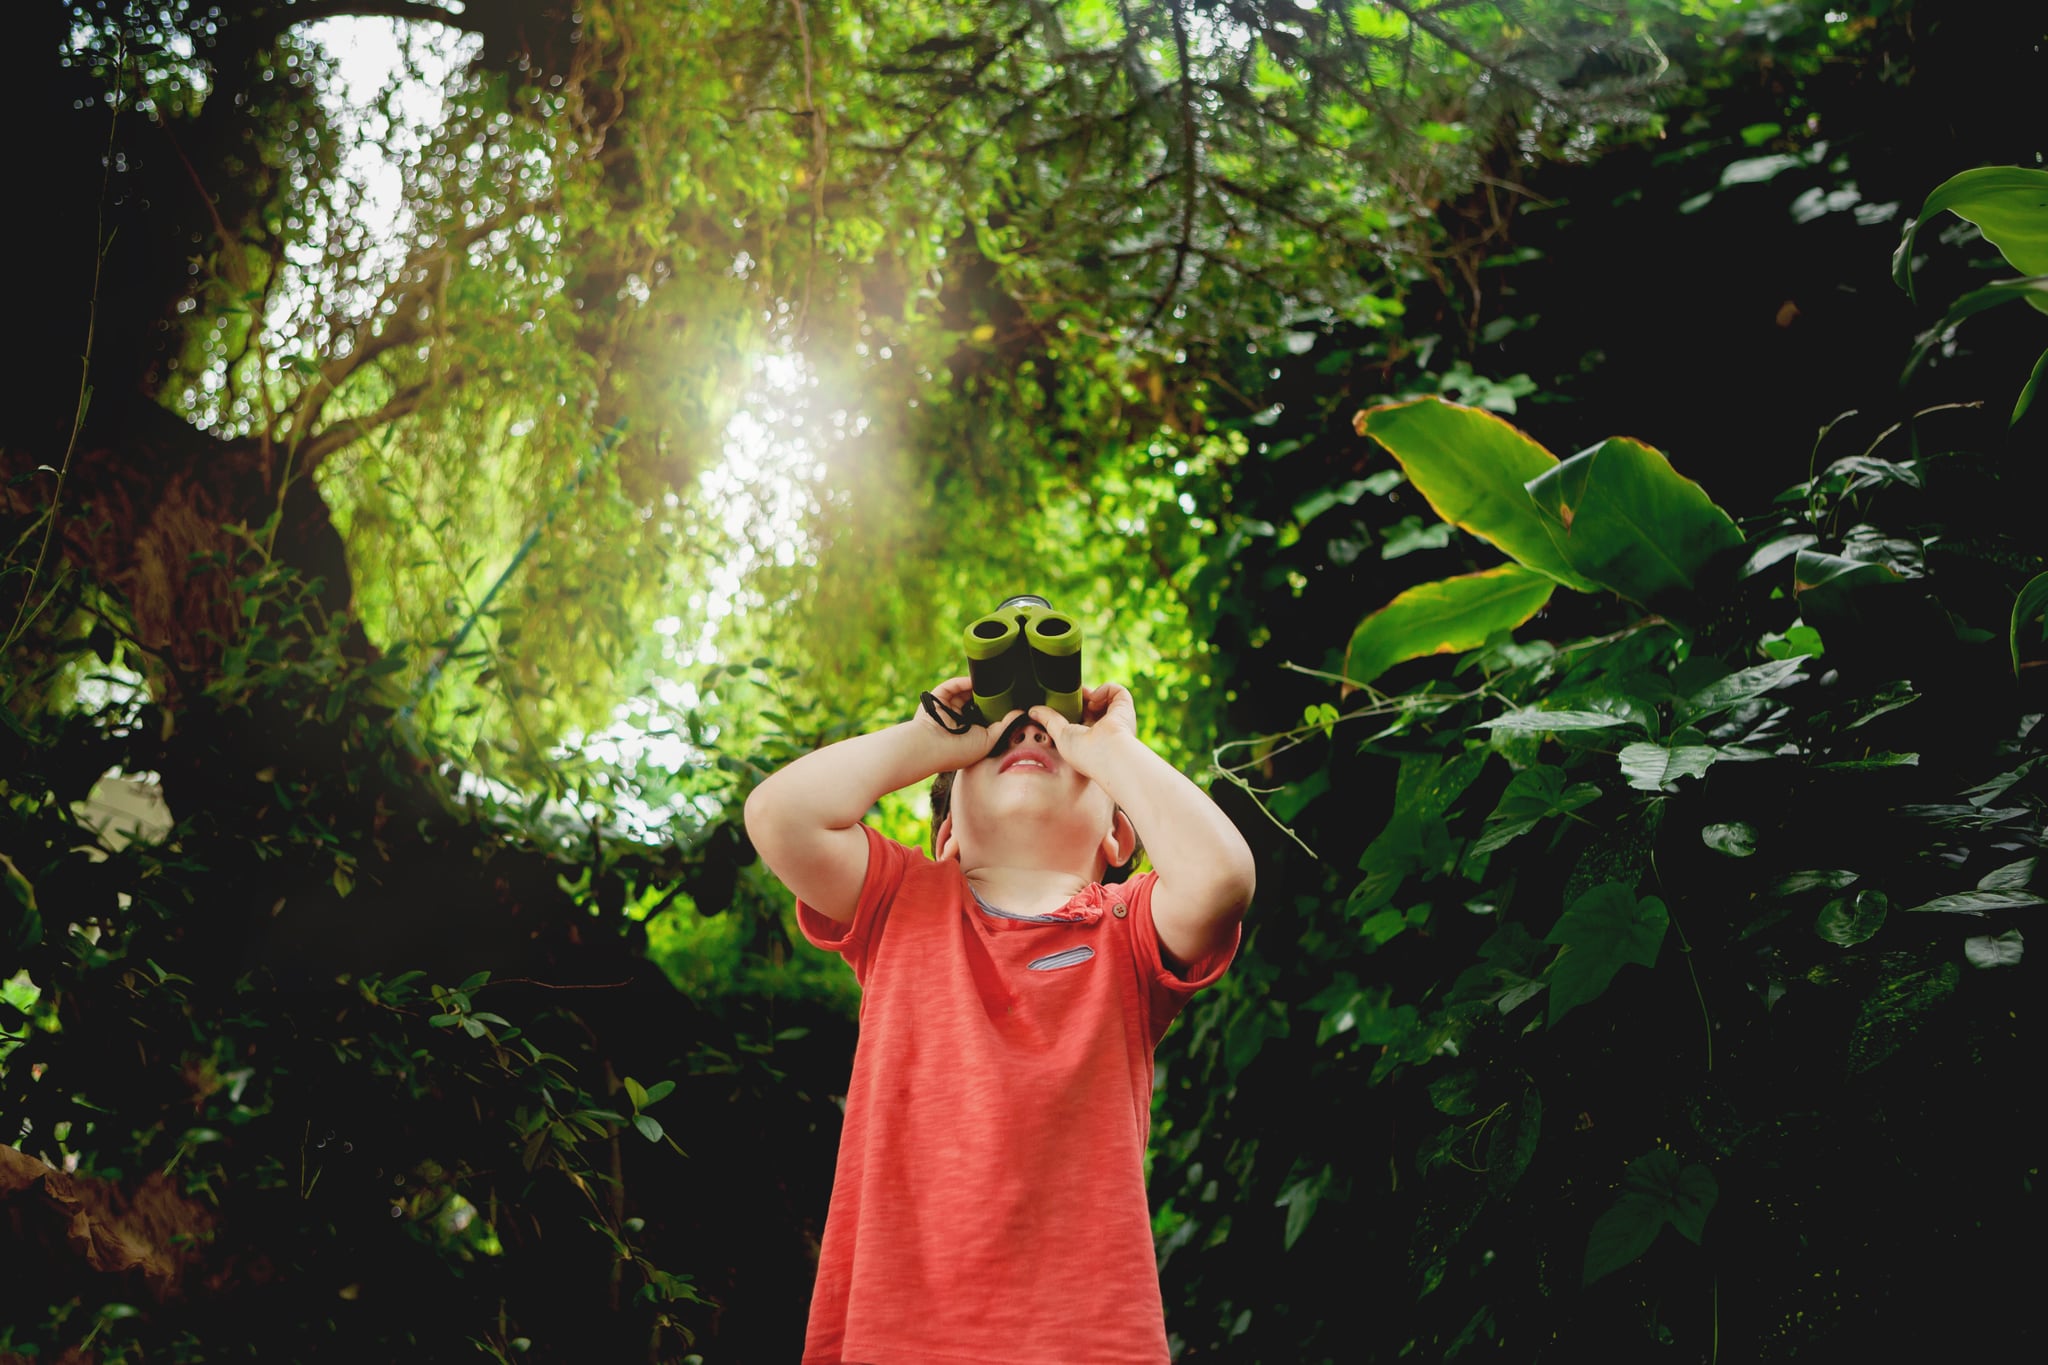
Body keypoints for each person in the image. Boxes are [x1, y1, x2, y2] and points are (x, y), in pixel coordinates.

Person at [744, 673, 1256, 1364]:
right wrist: (928, 739)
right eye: (998, 743)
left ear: (1117, 835)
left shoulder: (1128, 931)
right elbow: (778, 815)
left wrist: (1108, 747)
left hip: (1084, 1345)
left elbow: (1222, 878)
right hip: (897, 1339)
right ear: (948, 833)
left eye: (1055, 741)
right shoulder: (901, 902)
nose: (1029, 731)